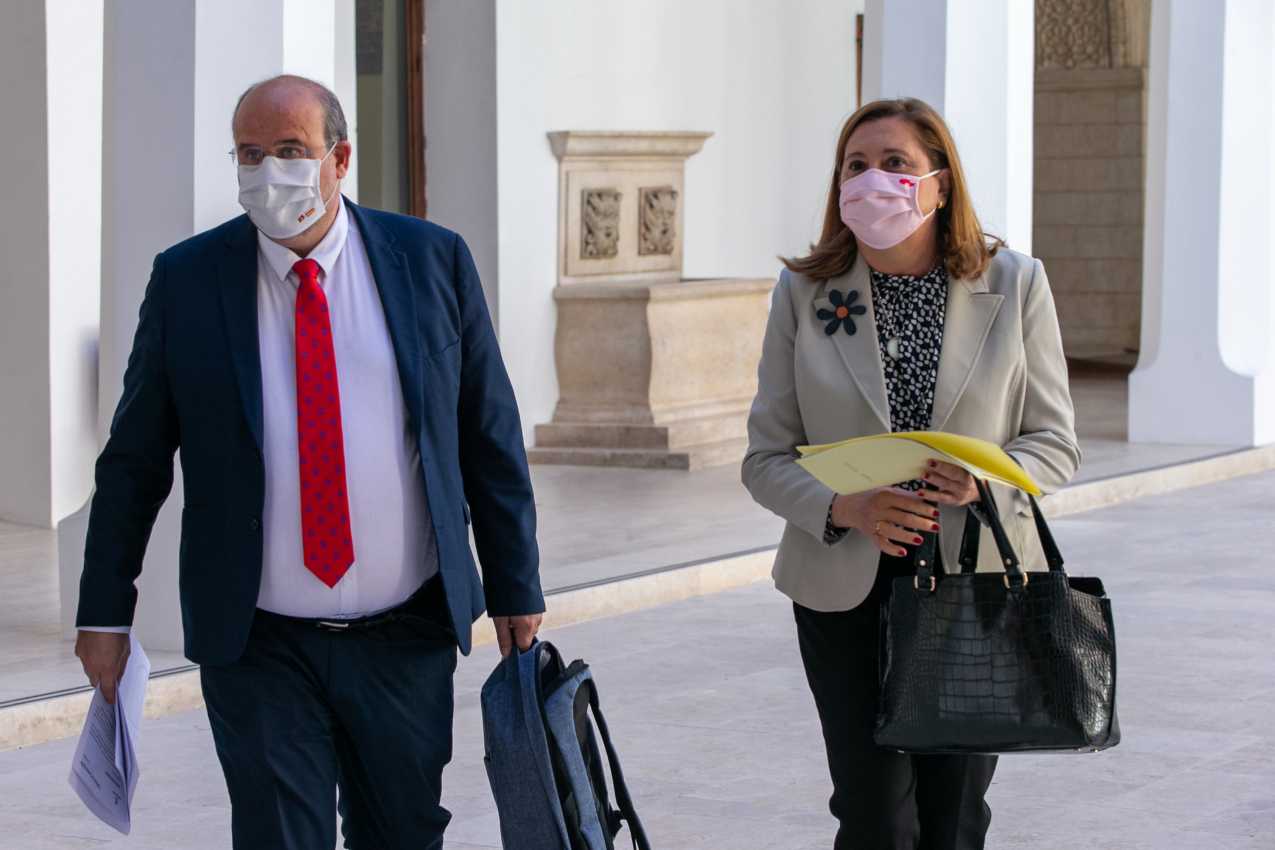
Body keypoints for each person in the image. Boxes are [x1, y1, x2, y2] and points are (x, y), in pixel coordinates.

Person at [73, 74, 545, 850]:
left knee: (400, 832)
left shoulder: (430, 261)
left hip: (405, 635)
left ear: (340, 158)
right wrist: (103, 612)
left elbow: (486, 431)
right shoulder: (188, 282)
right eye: (250, 154)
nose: (268, 174)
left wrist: (515, 586)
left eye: (290, 151)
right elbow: (133, 462)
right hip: (258, 642)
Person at [741, 97, 1080, 849]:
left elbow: (1054, 442)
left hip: (976, 581)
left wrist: (984, 480)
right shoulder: (803, 292)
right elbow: (764, 459)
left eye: (894, 163)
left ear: (939, 182)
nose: (871, 181)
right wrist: (843, 507)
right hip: (843, 584)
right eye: (854, 166)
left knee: (953, 816)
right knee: (871, 816)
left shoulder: (1015, 283)